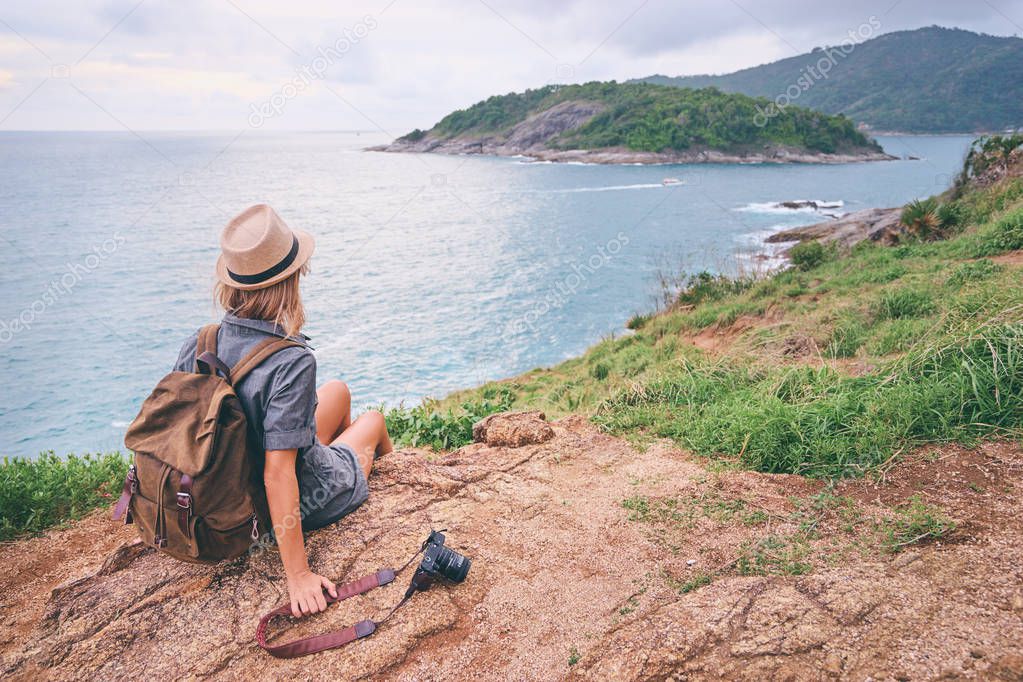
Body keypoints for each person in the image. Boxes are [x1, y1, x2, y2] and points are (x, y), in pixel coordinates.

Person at [172, 204, 393, 618]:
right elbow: (277, 473)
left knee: (339, 391)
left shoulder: (199, 341)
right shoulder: (291, 362)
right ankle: (368, 475)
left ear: (233, 284)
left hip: (226, 492)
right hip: (300, 497)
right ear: (291, 280)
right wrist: (299, 575)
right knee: (374, 421)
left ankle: (325, 448)